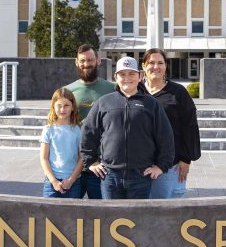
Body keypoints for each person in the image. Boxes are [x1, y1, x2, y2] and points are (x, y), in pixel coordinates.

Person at [81, 56, 174, 199]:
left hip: (141, 175)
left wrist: (161, 166)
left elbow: (165, 136)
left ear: (140, 76)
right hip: (110, 175)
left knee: (137, 218)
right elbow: (88, 133)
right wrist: (90, 161)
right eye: (122, 74)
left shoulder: (151, 104)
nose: (127, 78)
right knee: (111, 218)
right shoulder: (104, 102)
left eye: (131, 74)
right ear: (115, 77)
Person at [141, 48, 201, 199]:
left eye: (160, 63)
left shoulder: (178, 92)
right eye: (151, 63)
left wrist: (186, 159)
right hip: (140, 164)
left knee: (167, 213)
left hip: (171, 165)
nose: (156, 67)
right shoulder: (136, 91)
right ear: (143, 66)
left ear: (166, 65)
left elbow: (190, 126)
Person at [65, 44, 115, 199]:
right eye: (83, 61)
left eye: (90, 60)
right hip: (72, 166)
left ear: (98, 60)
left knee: (101, 215)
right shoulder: (67, 91)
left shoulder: (112, 89)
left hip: (101, 166)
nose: (86, 64)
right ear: (76, 62)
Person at [39, 88, 84, 198]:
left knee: (72, 214)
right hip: (51, 183)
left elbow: (82, 158)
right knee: (48, 214)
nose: (62, 109)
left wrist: (71, 180)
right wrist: (53, 181)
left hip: (73, 182)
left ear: (73, 107)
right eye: (59, 105)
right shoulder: (48, 129)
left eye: (66, 105)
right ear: (53, 107)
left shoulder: (78, 130)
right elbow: (44, 158)